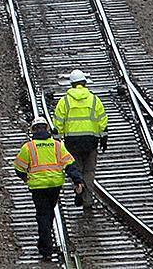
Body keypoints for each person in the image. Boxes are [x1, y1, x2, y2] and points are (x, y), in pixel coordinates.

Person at [14, 116, 85, 260]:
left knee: (42, 215)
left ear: (33, 130)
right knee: (49, 213)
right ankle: (44, 243)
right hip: (54, 185)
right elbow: (70, 165)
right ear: (47, 129)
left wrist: (25, 178)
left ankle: (46, 249)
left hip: (38, 187)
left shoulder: (28, 147)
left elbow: (19, 167)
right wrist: (77, 180)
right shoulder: (57, 145)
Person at [53, 69, 107, 209]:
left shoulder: (65, 101)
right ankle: (87, 200)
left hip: (72, 142)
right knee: (89, 171)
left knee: (76, 169)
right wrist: (103, 137)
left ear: (71, 84)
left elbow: (58, 122)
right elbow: (102, 120)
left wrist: (58, 140)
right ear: (84, 83)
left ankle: (78, 187)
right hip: (91, 141)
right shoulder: (94, 99)